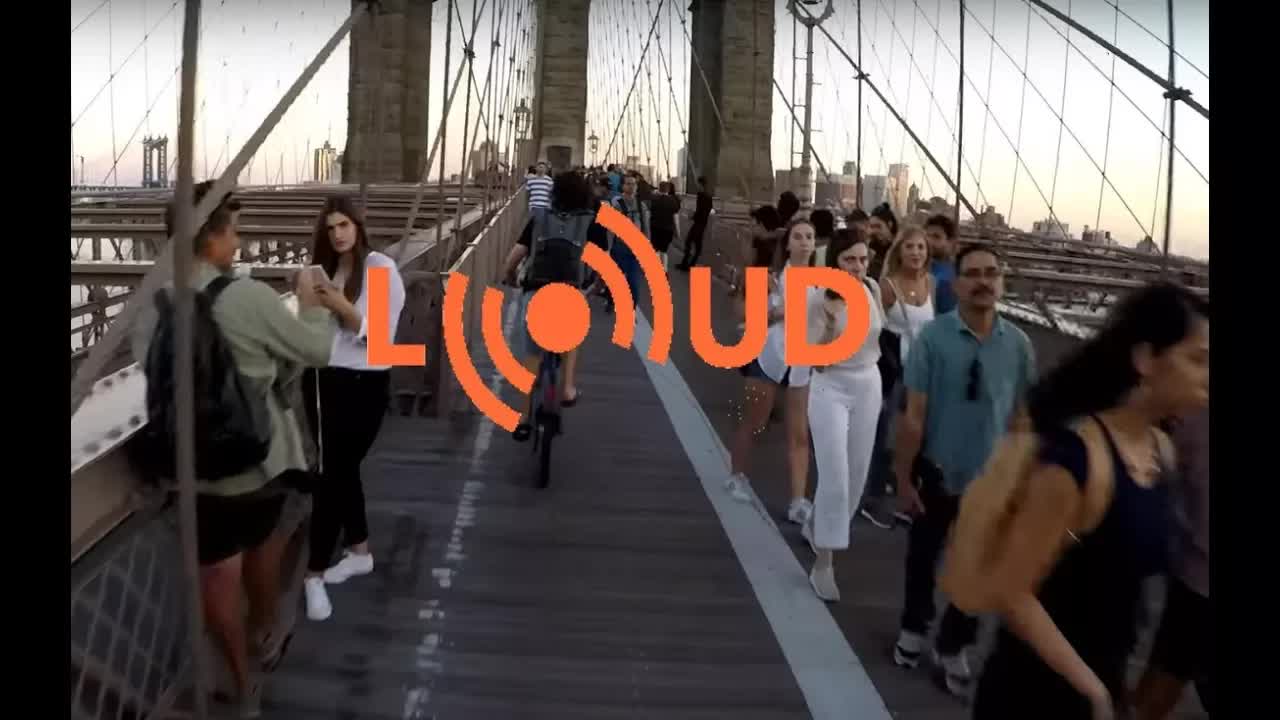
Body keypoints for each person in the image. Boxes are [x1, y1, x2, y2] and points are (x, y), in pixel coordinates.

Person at [131, 181, 341, 717]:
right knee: (268, 535)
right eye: (234, 233)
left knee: (216, 572)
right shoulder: (245, 295)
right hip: (254, 460)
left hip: (187, 464)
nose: (240, 244)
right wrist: (312, 301)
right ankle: (266, 629)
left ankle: (241, 682)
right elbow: (316, 350)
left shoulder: (152, 305)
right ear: (214, 239)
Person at [972, 283, 1209, 720]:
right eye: (1197, 359)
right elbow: (1011, 589)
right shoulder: (1079, 457)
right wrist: (1093, 692)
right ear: (1146, 360)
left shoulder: (1162, 451)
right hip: (1035, 694)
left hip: (1102, 678)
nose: (1207, 373)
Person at [892, 245, 1036, 697]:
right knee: (923, 556)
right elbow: (914, 414)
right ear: (956, 285)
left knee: (977, 568)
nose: (983, 282)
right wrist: (902, 477)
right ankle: (914, 626)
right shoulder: (933, 338)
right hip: (936, 471)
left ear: (1002, 282)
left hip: (991, 478)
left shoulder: (1018, 344)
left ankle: (954, 645)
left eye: (992, 273)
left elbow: (1022, 418)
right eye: (972, 274)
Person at [300, 196, 405, 623]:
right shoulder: (322, 273)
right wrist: (308, 298)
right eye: (330, 228)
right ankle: (341, 559)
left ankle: (332, 564)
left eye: (344, 225)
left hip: (366, 384)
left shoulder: (380, 268)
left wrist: (338, 304)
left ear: (359, 226)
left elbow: (379, 339)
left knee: (337, 473)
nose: (338, 234)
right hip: (323, 380)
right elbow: (309, 334)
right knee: (337, 473)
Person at [802, 228, 884, 601]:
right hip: (830, 387)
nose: (857, 266)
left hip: (868, 384)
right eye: (849, 259)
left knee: (855, 474)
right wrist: (832, 328)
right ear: (834, 260)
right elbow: (815, 364)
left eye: (863, 259)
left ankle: (818, 525)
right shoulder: (819, 299)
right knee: (835, 475)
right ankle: (824, 564)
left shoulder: (871, 290)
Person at [727, 218, 818, 524]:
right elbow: (743, 316)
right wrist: (775, 312)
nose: (805, 242)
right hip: (768, 354)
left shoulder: (824, 283)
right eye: (799, 236)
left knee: (799, 434)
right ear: (788, 243)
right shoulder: (771, 278)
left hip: (802, 361)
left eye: (810, 237)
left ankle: (798, 500)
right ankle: (736, 475)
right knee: (755, 422)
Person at [500, 171, 596, 439]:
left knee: (531, 355)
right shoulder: (590, 222)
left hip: (536, 291)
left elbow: (514, 257)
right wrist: (593, 289)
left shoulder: (539, 218)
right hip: (569, 291)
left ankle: (522, 416)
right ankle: (566, 387)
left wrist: (509, 277)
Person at [1132, 404, 1212, 719]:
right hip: (1194, 587)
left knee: (1159, 686)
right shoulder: (1194, 419)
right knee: (1158, 687)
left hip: (1192, 581)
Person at [608, 174, 651, 312]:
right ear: (623, 186)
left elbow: (646, 226)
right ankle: (612, 300)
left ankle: (631, 307)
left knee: (633, 280)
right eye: (628, 183)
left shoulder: (641, 204)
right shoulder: (617, 204)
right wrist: (608, 247)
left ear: (637, 187)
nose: (631, 186)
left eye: (633, 184)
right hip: (620, 246)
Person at [924, 214, 958, 314]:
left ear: (951, 242)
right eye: (927, 236)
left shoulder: (949, 278)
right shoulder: (920, 267)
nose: (929, 241)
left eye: (936, 237)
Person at [677, 176, 713, 271]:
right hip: (702, 223)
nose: (697, 186)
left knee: (689, 242)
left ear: (701, 184)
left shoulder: (701, 195)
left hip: (698, 223)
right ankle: (690, 263)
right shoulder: (708, 196)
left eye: (698, 184)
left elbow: (700, 210)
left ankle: (687, 264)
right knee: (697, 244)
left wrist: (692, 217)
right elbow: (707, 210)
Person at [648, 181, 682, 271]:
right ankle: (665, 270)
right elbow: (675, 218)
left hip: (655, 228)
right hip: (668, 229)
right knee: (664, 250)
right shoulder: (673, 201)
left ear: (659, 188)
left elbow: (648, 214)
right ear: (668, 189)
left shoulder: (654, 199)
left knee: (656, 249)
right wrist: (678, 232)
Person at [866, 203, 898, 279]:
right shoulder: (871, 248)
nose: (874, 231)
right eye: (871, 227)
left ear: (890, 225)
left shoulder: (900, 249)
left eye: (878, 226)